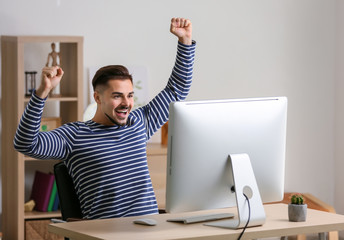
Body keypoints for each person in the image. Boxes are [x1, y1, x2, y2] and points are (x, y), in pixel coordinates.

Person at [14, 17, 196, 219]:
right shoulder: (75, 135)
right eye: (117, 96)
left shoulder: (139, 123)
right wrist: (42, 93)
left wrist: (185, 42)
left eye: (129, 95)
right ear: (97, 98)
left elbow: (177, 89)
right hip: (106, 232)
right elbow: (26, 144)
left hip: (150, 229)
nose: (126, 103)